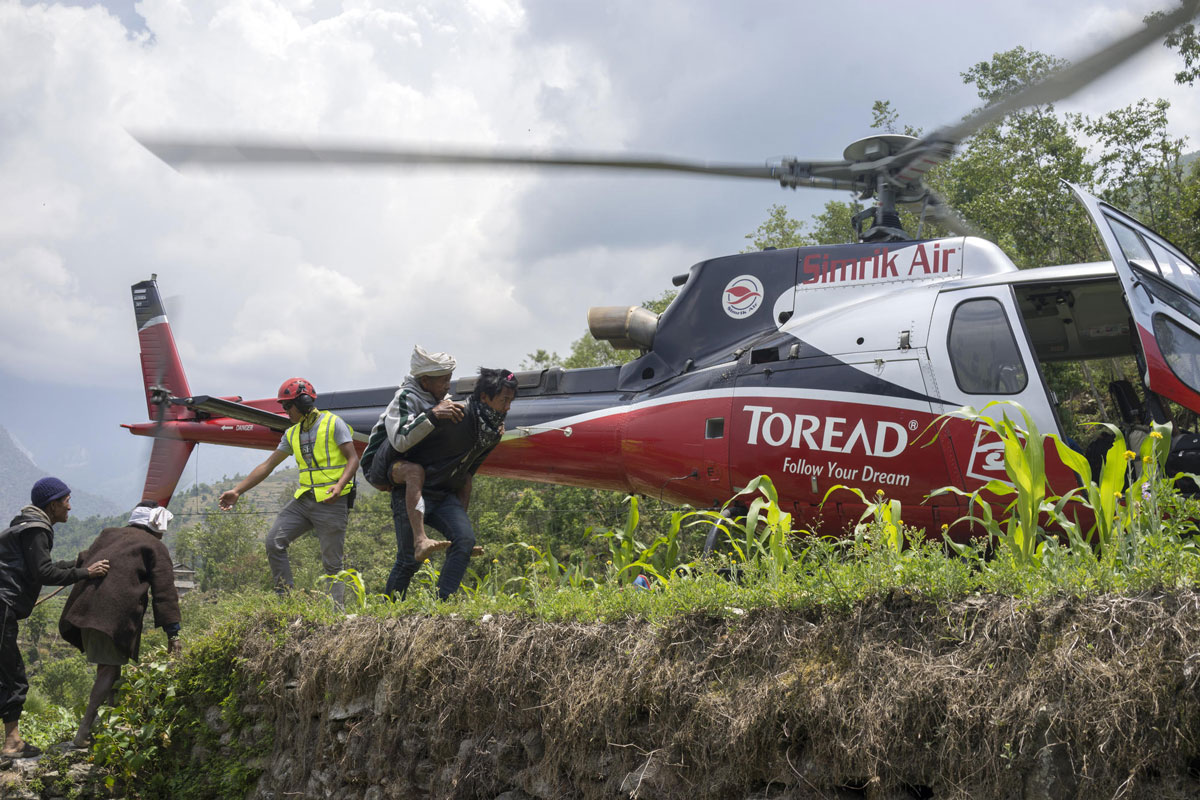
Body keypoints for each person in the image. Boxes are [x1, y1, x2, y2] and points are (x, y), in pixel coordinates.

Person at [218, 378, 359, 606]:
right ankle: (287, 604)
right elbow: (267, 465)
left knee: (332, 564)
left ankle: (337, 615)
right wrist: (237, 491)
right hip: (304, 502)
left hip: (332, 502)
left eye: (287, 406)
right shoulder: (292, 433)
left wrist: (340, 485)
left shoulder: (334, 424)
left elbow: (353, 459)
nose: (285, 412)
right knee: (274, 542)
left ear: (303, 403)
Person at [384, 367, 517, 601]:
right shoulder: (454, 415)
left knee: (464, 540)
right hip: (413, 492)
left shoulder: (491, 433)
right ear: (484, 397)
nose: (507, 408)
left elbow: (467, 476)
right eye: (504, 400)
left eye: (510, 401)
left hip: (444, 496)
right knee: (408, 560)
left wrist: (460, 521)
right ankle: (388, 612)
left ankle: (442, 604)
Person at [58, 502, 182, 749]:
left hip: (84, 611)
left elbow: (83, 558)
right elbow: (165, 591)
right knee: (108, 670)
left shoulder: (109, 534)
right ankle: (84, 732)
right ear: (155, 525)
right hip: (110, 617)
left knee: (111, 668)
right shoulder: (154, 546)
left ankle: (111, 726)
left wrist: (55, 569)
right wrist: (173, 633)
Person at [0, 478, 109, 759]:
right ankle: (12, 743)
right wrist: (86, 573)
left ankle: (12, 740)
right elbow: (44, 574)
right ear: (53, 505)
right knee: (13, 677)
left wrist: (76, 564)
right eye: (66, 501)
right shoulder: (38, 529)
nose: (70, 507)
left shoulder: (23, 525)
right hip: (4, 606)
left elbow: (43, 566)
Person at [363, 345, 466, 564]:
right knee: (414, 472)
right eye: (443, 380)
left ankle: (461, 539)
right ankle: (420, 539)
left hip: (410, 456)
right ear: (425, 381)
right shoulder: (405, 397)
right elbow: (400, 440)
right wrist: (433, 415)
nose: (448, 384)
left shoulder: (441, 399)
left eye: (450, 378)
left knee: (464, 474)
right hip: (379, 464)